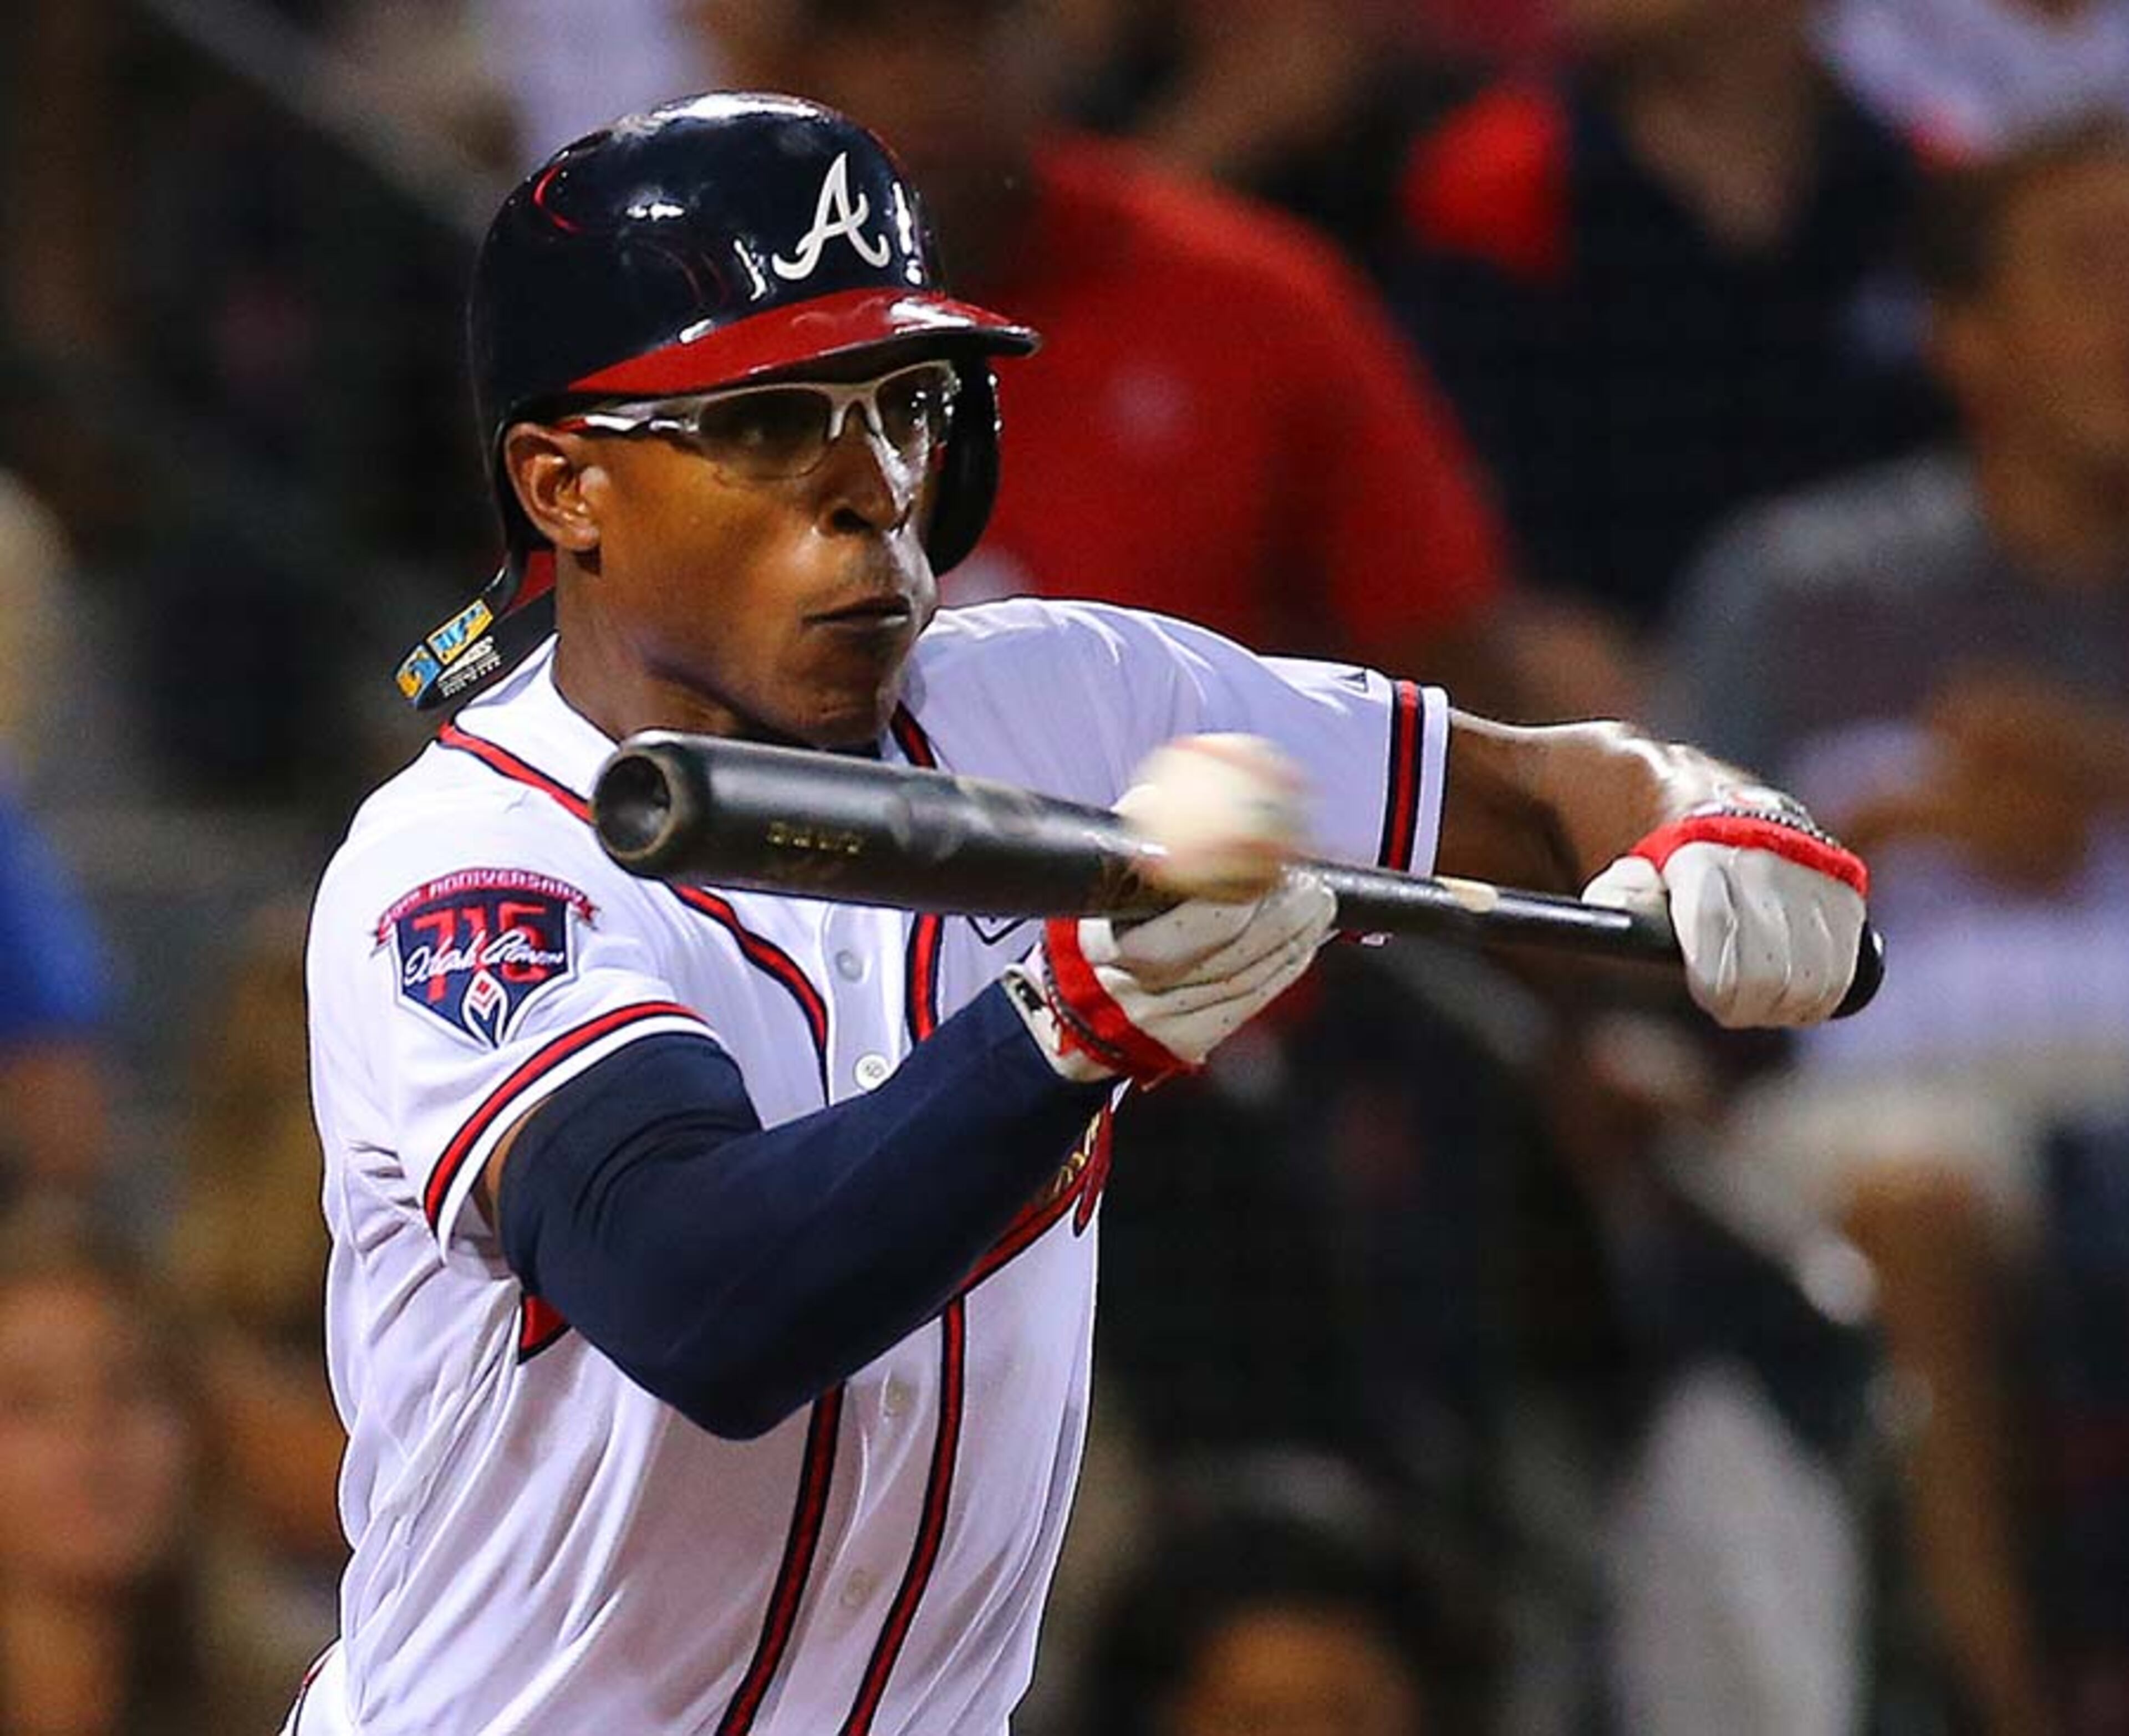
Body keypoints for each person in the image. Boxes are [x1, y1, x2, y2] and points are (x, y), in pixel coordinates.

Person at [288, 93, 1871, 1734]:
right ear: (565, 486)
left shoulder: (1061, 697)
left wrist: (1715, 811)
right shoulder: (467, 870)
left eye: (905, 403)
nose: (870, 487)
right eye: (766, 423)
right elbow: (710, 1302)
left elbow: (1543, 791)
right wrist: (1064, 1029)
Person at [1657, 115, 2129, 1735]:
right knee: (1918, 1194)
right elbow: (1652, 900)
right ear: (1963, 335)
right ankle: (1998, 1705)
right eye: (2086, 267)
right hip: (1881, 1087)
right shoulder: (1799, 587)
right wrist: (1890, 825)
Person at [713, 0, 1510, 691]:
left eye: (974, 32)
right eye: (880, 40)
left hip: (1190, 846)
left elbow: (1444, 659)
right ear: (779, 63)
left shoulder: (1251, 298)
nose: (934, 86)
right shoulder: (696, 324)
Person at [1393, 0, 1949, 649]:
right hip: (1589, 681)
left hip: (1866, 669)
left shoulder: (1919, 188)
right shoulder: (1503, 179)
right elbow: (1443, 499)